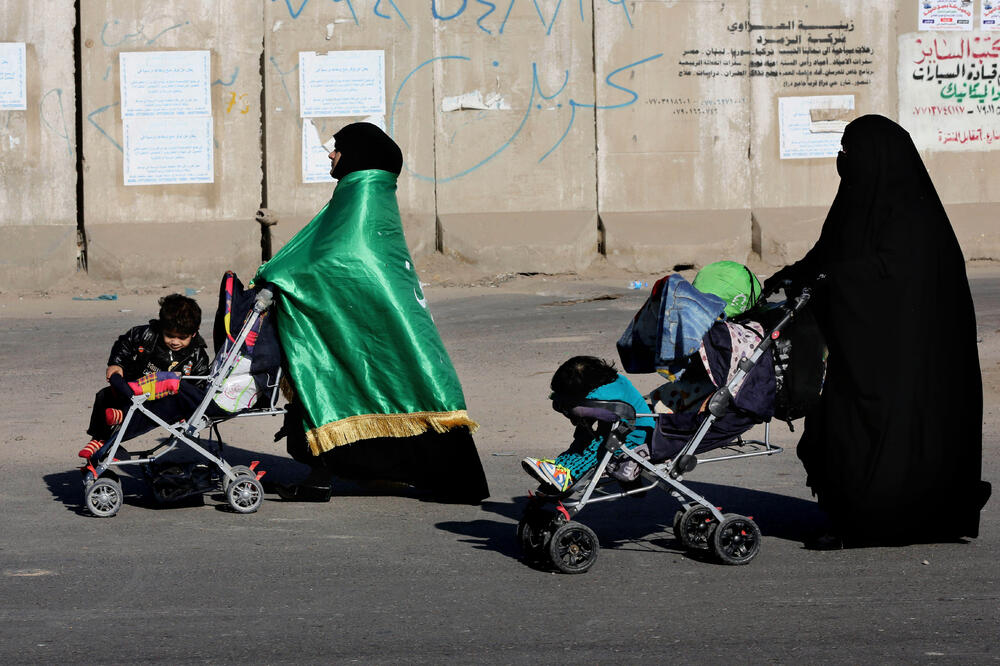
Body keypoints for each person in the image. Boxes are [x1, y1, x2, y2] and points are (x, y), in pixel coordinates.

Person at [764, 114, 991, 548]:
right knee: (843, 425)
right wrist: (788, 277)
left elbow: (894, 276)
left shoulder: (914, 216)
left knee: (894, 430)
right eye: (843, 151)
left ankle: (871, 523)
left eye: (851, 152)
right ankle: (852, 515)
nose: (843, 160)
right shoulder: (854, 203)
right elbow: (826, 254)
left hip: (906, 355)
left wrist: (836, 280)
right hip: (857, 351)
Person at [255, 122, 490, 503]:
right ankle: (327, 474)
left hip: (373, 319)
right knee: (355, 380)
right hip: (379, 320)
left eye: (337, 149)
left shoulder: (361, 200)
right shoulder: (364, 198)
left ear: (358, 155)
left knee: (336, 378)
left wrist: (276, 275)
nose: (331, 155)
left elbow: (338, 260)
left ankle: (334, 473)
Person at [78, 294, 209, 459]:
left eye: (182, 338)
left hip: (164, 399)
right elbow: (125, 343)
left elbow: (198, 385)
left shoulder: (197, 355)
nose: (175, 342)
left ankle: (119, 422)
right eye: (170, 335)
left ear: (194, 334)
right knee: (104, 396)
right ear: (162, 328)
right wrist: (116, 363)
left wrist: (188, 411)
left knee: (145, 408)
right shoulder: (147, 334)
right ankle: (99, 437)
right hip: (135, 386)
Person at [522, 356, 655, 492]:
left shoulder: (606, 395)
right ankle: (560, 465)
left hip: (633, 439)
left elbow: (581, 410)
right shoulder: (608, 381)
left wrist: (567, 404)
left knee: (595, 450)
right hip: (617, 431)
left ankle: (569, 474)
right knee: (582, 440)